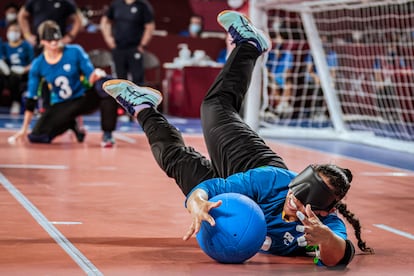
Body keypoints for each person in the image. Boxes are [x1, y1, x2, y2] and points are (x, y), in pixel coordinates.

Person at [102, 10, 373, 267]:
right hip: (252, 166)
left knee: (173, 159)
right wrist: (197, 202)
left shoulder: (321, 227)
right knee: (214, 107)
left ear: (325, 210)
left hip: (237, 200)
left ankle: (143, 107)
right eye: (299, 186)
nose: (295, 197)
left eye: (307, 198)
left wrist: (326, 241)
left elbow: (337, 255)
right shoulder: (276, 183)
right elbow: (211, 189)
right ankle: (250, 45)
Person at [8, 20, 118, 147]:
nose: (54, 43)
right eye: (50, 41)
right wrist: (24, 128)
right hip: (62, 104)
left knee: (107, 85)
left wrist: (97, 74)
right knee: (37, 136)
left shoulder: (75, 51)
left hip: (83, 98)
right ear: (42, 42)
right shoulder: (38, 64)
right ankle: (72, 124)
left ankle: (107, 134)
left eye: (57, 39)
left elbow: (90, 75)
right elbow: (31, 98)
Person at [100, 0, 155, 86]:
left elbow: (150, 26)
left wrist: (143, 45)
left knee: (138, 79)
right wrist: (108, 38)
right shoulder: (116, 4)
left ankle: (137, 99)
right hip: (118, 48)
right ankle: (121, 99)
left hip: (135, 48)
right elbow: (105, 21)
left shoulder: (142, 5)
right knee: (120, 80)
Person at [3, 20, 35, 115]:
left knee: (15, 77)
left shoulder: (26, 46)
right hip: (6, 74)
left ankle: (16, 102)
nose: (13, 33)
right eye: (11, 30)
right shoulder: (4, 46)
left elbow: (34, 62)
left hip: (22, 75)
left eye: (16, 30)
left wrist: (24, 69)